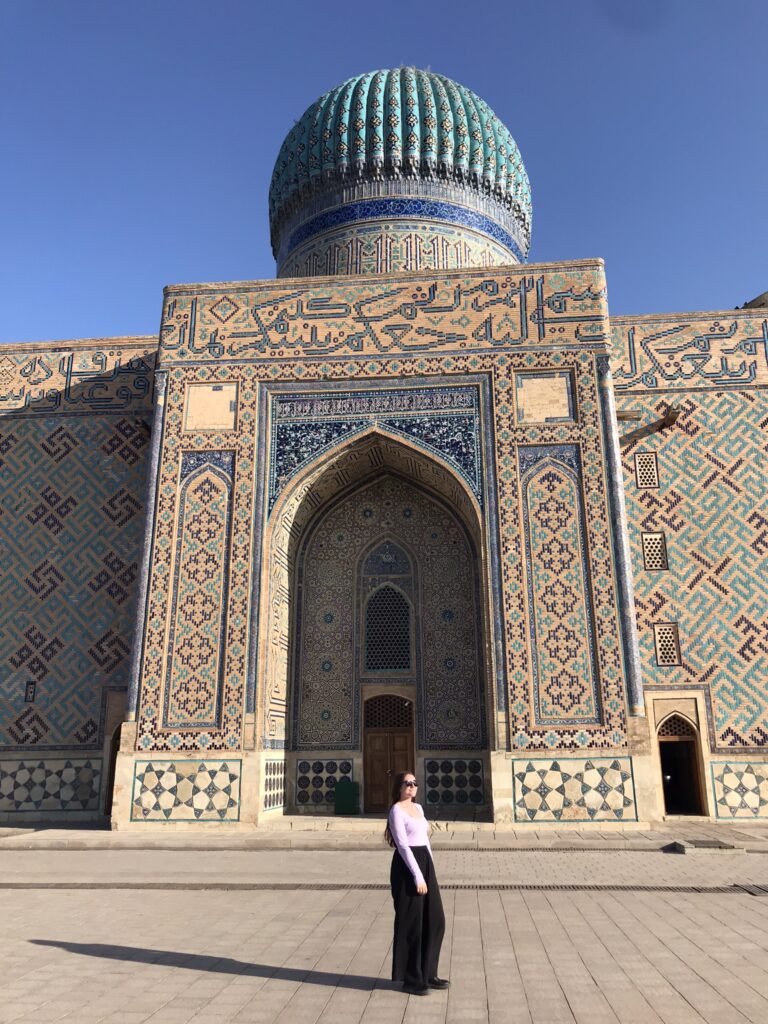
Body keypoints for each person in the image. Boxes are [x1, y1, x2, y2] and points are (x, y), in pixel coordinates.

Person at [385, 770, 448, 996]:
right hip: (407, 869)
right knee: (412, 923)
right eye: (407, 783)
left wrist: (430, 869)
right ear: (399, 787)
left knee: (435, 919)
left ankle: (429, 973)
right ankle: (412, 979)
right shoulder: (396, 811)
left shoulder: (418, 808)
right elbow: (402, 846)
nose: (411, 786)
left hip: (424, 864)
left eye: (414, 783)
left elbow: (425, 840)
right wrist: (418, 875)